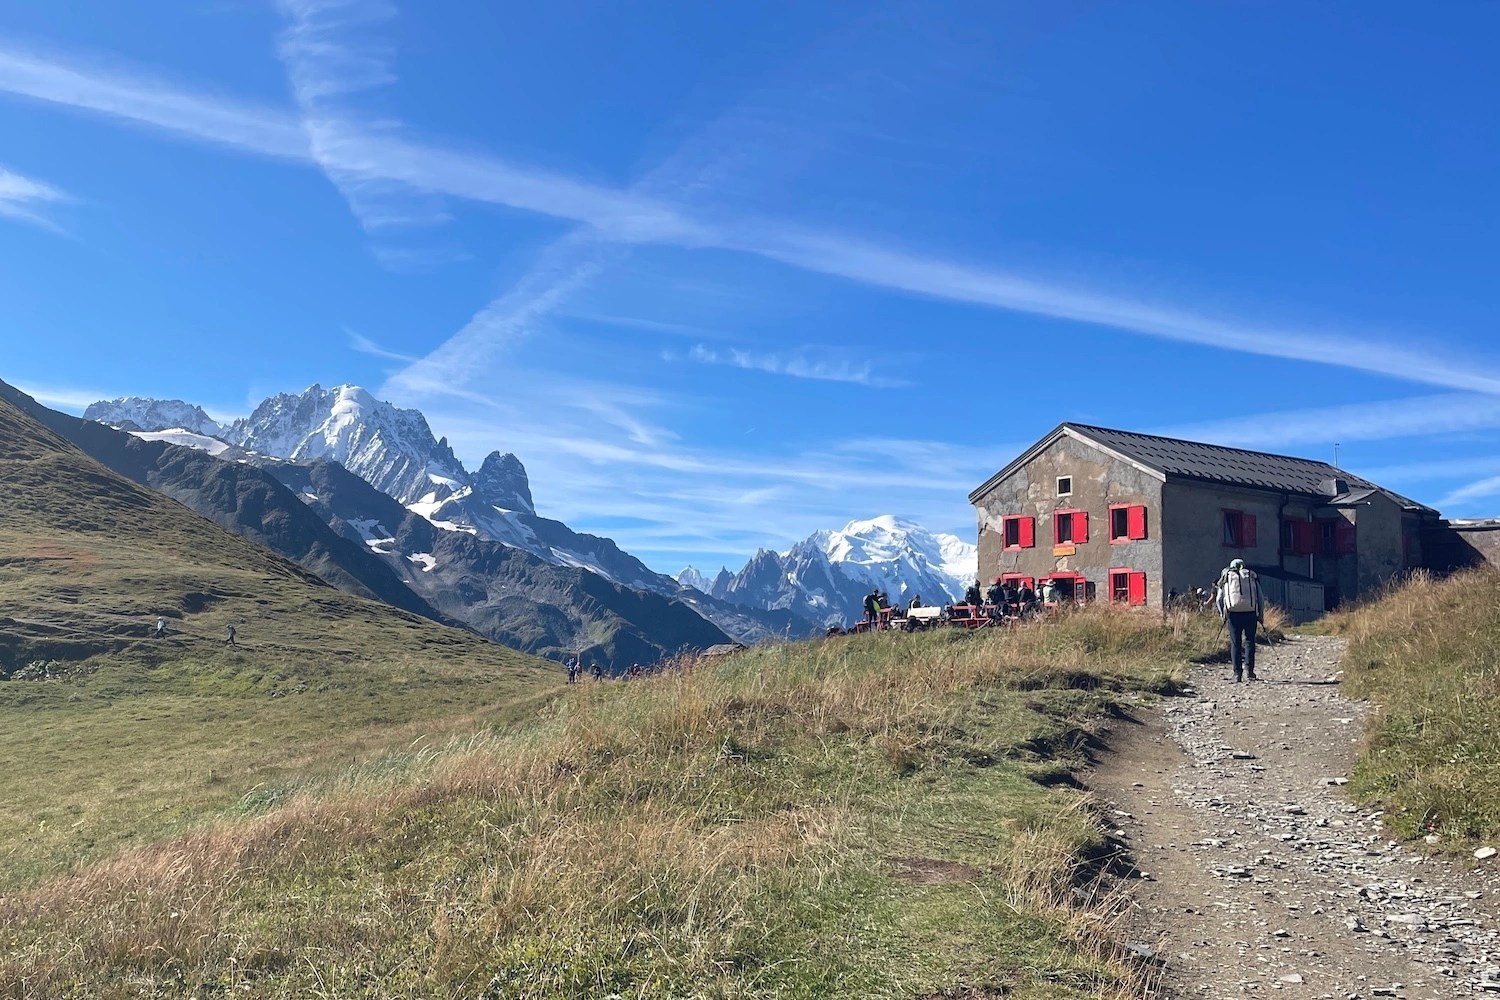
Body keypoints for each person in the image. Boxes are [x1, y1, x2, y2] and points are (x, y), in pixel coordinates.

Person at [1215, 558, 1265, 681]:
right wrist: (1260, 615)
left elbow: (1219, 599)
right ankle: (1249, 672)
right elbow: (1260, 598)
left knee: (1235, 642)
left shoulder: (1226, 577)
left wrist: (1223, 614)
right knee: (1249, 641)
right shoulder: (1250, 576)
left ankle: (1237, 673)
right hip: (1250, 613)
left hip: (1233, 614)